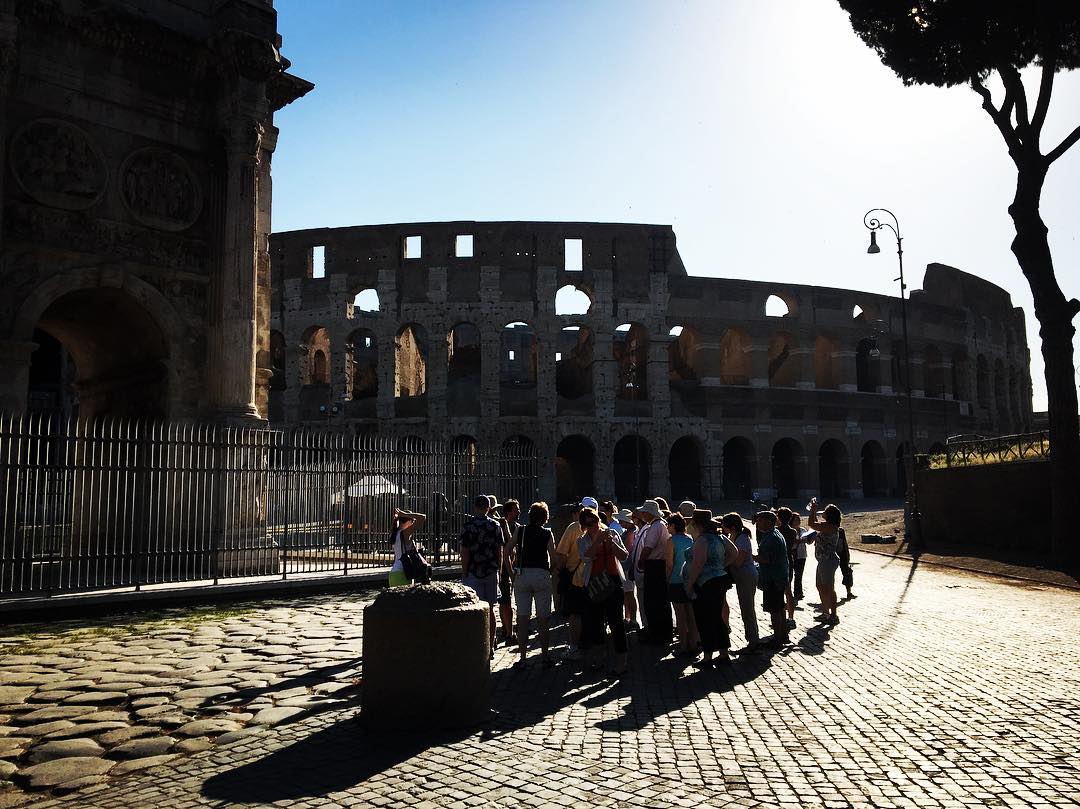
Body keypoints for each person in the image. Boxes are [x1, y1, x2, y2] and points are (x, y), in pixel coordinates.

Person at [578, 507, 629, 677]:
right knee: (596, 623)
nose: (592, 526)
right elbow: (586, 557)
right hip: (594, 583)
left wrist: (612, 542)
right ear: (583, 526)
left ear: (598, 520)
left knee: (616, 623)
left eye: (594, 522)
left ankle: (621, 661)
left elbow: (624, 556)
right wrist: (597, 541)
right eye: (588, 524)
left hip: (613, 581)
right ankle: (599, 657)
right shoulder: (582, 540)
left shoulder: (612, 533)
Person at [684, 509, 738, 668]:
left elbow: (698, 563)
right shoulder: (720, 537)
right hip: (719, 579)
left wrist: (689, 584)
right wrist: (721, 565)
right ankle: (723, 653)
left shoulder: (702, 540)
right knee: (716, 617)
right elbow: (733, 553)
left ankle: (708, 656)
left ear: (696, 524)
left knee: (704, 619)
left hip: (706, 583)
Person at [506, 501, 557, 668]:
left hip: (523, 574)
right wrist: (550, 570)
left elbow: (506, 551)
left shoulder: (520, 531)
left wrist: (511, 572)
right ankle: (544, 656)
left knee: (522, 619)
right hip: (541, 574)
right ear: (545, 518)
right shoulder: (547, 533)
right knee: (543, 620)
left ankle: (522, 658)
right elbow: (554, 557)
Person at [459, 495, 504, 656]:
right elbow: (500, 550)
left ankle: (477, 644)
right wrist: (499, 568)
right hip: (491, 570)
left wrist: (464, 572)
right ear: (488, 508)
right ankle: (490, 646)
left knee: (474, 609)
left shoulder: (468, 526)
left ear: (475, 507)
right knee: (491, 609)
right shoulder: (495, 525)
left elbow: (465, 552)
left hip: (473, 570)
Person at [554, 497, 594, 660]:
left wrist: (561, 571)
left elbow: (561, 554)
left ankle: (574, 646)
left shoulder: (573, 528)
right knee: (592, 612)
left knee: (575, 614)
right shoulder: (603, 528)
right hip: (594, 578)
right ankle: (593, 644)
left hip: (575, 578)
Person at [635, 499, 673, 645]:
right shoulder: (661, 524)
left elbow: (648, 548)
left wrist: (640, 561)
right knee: (661, 601)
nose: (642, 514)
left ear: (649, 513)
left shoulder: (655, 527)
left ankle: (657, 632)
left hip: (654, 565)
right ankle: (662, 632)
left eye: (644, 512)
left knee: (653, 601)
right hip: (659, 565)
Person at [721, 512, 759, 653]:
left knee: (748, 609)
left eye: (724, 525)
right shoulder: (734, 536)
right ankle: (752, 639)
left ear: (731, 526)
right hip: (740, 576)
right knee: (745, 609)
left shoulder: (742, 538)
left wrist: (724, 563)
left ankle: (753, 640)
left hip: (746, 575)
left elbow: (738, 560)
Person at [754, 510, 790, 646]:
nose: (757, 522)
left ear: (768, 521)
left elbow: (767, 558)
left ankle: (777, 638)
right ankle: (783, 634)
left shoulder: (771, 537)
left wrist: (751, 557)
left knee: (774, 609)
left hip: (773, 578)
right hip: (779, 576)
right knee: (780, 607)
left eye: (760, 520)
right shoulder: (774, 534)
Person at [805, 499, 842, 625]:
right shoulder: (827, 525)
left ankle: (833, 615)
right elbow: (814, 524)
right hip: (823, 561)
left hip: (828, 560)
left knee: (829, 588)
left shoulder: (829, 526)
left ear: (830, 515)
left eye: (825, 511)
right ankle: (826, 613)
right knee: (820, 586)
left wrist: (813, 510)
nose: (823, 513)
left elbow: (811, 523)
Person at [666, 513, 699, 657]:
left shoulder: (671, 541)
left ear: (673, 526)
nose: (667, 527)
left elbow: (669, 564)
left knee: (680, 615)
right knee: (691, 614)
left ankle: (683, 645)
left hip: (676, 580)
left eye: (668, 524)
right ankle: (693, 643)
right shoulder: (690, 539)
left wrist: (666, 580)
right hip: (689, 579)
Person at [496, 498, 521, 646]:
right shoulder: (500, 527)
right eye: (516, 509)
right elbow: (508, 547)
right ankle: (508, 631)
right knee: (504, 601)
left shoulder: (518, 527)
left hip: (513, 567)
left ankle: (509, 629)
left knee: (507, 600)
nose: (519, 511)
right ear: (508, 512)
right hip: (503, 569)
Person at [388, 508, 426, 588]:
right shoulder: (405, 533)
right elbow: (423, 517)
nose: (413, 523)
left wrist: (402, 516)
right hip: (404, 572)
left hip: (394, 573)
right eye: (412, 521)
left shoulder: (394, 533)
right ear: (408, 521)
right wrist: (404, 514)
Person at [615, 508, 639, 628]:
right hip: (626, 566)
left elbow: (627, 550)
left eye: (621, 520)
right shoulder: (631, 531)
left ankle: (632, 619)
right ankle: (628, 617)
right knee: (627, 594)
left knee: (629, 594)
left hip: (627, 566)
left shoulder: (630, 533)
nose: (619, 523)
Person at [776, 507, 798, 631]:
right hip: (789, 560)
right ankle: (791, 617)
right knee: (788, 590)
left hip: (779, 561)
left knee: (780, 590)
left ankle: (781, 617)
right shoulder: (793, 532)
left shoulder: (776, 531)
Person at [790, 512, 809, 603]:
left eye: (799, 520)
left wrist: (810, 539)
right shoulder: (789, 531)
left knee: (799, 575)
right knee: (790, 574)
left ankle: (798, 592)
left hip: (801, 554)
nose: (798, 521)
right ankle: (789, 592)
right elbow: (793, 542)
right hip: (792, 554)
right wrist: (799, 541)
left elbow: (808, 541)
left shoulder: (803, 530)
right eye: (796, 520)